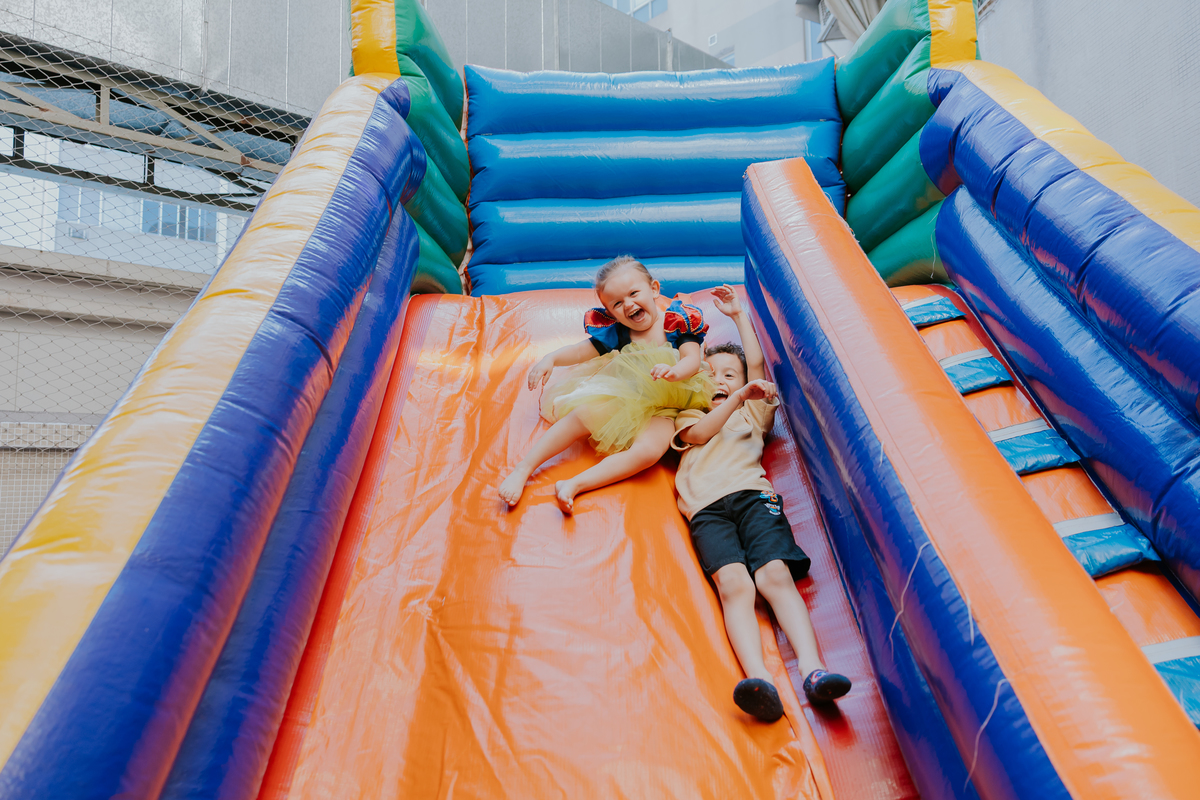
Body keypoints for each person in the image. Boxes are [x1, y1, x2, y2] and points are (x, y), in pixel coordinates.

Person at [673, 284, 851, 722]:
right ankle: (759, 682)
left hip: (754, 497)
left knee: (774, 576)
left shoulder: (751, 413)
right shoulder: (689, 415)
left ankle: (812, 670)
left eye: (729, 374)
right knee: (735, 585)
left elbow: (755, 364)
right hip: (707, 510)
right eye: (709, 372)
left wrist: (738, 315)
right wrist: (733, 393)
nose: (719, 378)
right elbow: (698, 436)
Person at [499, 256, 713, 512]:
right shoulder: (620, 332)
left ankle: (575, 484)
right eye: (617, 303)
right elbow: (581, 352)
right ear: (610, 312)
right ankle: (523, 469)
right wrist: (551, 358)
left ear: (654, 289)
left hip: (669, 406)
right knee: (579, 417)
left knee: (648, 453)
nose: (629, 304)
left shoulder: (676, 322)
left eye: (634, 293)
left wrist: (674, 371)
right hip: (631, 396)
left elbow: (692, 359)